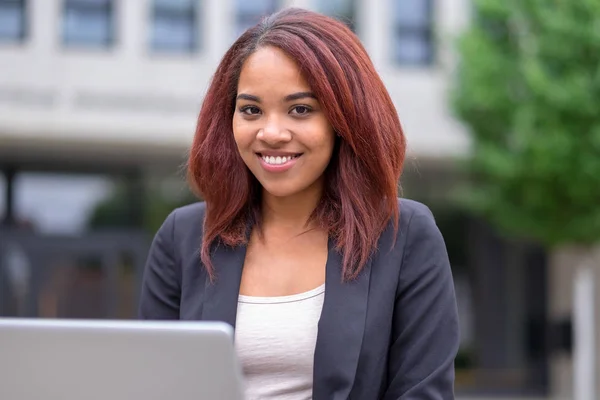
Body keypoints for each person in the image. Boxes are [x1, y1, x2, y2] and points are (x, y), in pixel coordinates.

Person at [139, 7, 459, 400]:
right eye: (251, 110)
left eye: (301, 109)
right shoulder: (183, 238)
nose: (271, 133)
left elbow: (423, 393)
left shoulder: (403, 236)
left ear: (346, 120)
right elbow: (156, 385)